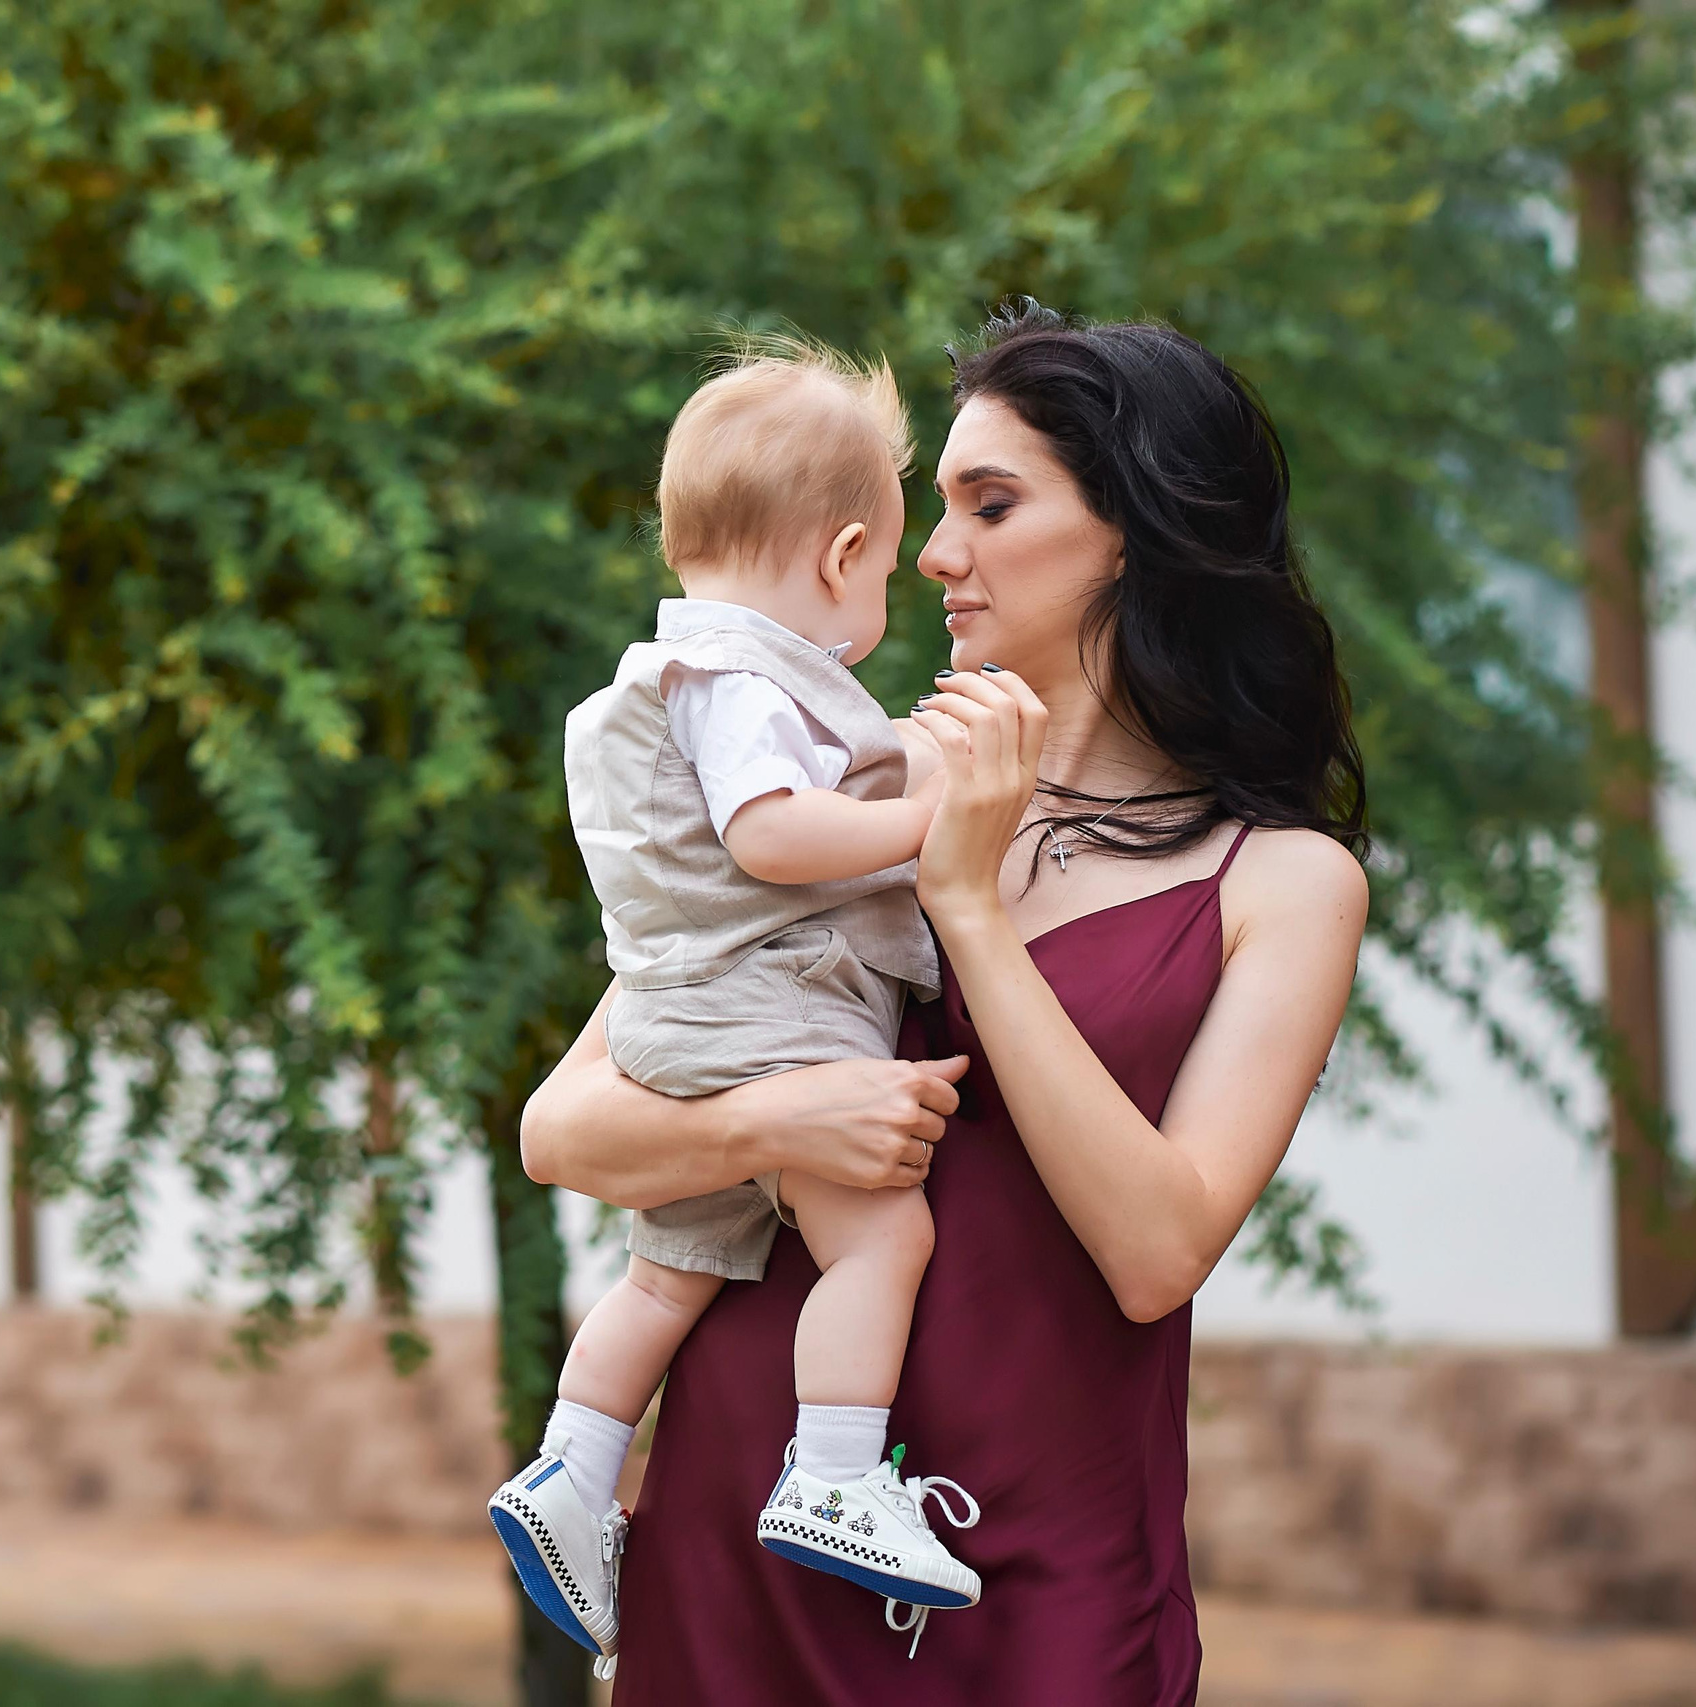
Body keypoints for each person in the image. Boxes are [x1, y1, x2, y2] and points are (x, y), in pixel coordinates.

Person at [521, 302, 1371, 1700]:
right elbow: (567, 1133)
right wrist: (792, 1116)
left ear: (1134, 531)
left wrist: (968, 906)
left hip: (1038, 1585)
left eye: (990, 502)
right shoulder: (831, 797)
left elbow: (1159, 1250)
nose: (930, 553)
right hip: (738, 1552)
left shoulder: (1279, 883)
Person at [485, 338, 980, 1678]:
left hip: (679, 1023)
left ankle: (576, 1467)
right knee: (879, 1239)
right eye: (885, 563)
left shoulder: (672, 676)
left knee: (670, 1269)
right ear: (841, 557)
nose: (895, 584)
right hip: (774, 1016)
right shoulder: (749, 687)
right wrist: (925, 821)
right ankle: (831, 1474)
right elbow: (767, 837)